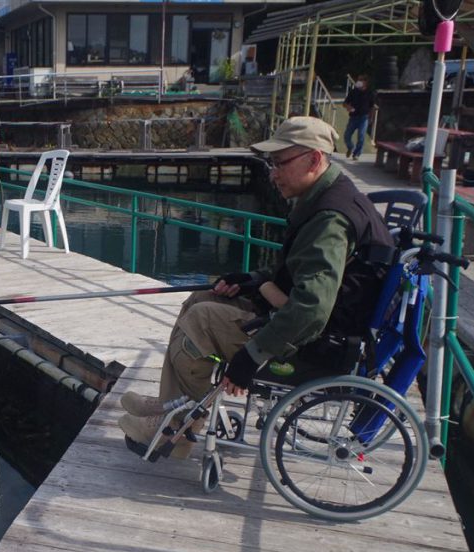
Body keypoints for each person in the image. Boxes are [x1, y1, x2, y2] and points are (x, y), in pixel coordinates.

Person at [119, 116, 395, 458]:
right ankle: (170, 403)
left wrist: (253, 355)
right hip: (310, 323)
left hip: (317, 344)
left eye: (280, 164)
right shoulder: (325, 199)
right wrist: (252, 279)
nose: (273, 174)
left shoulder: (330, 220)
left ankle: (178, 428)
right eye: (270, 164)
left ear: (314, 159)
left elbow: (311, 308)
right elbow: (300, 272)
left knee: (201, 320)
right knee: (199, 300)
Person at [342, 74, 377, 160]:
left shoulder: (370, 93)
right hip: (353, 117)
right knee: (347, 135)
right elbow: (345, 103)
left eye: (361, 80)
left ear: (365, 82)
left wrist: (371, 117)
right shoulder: (353, 91)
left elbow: (372, 106)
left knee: (361, 136)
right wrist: (348, 107)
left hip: (363, 118)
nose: (359, 82)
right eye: (358, 80)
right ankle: (350, 147)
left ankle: (357, 153)